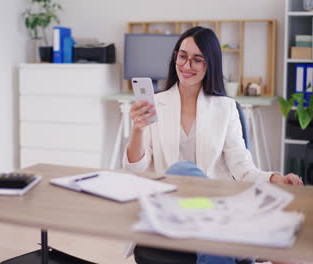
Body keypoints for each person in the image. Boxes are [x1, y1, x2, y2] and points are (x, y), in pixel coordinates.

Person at [123, 27, 303, 264]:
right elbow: (135, 170)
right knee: (181, 171)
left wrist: (274, 178)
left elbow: (243, 169)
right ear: (175, 57)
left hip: (209, 207)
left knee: (284, 232)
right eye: (183, 56)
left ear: (210, 65)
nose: (187, 66)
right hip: (171, 205)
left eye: (197, 60)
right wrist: (138, 129)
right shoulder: (155, 103)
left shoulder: (225, 108)